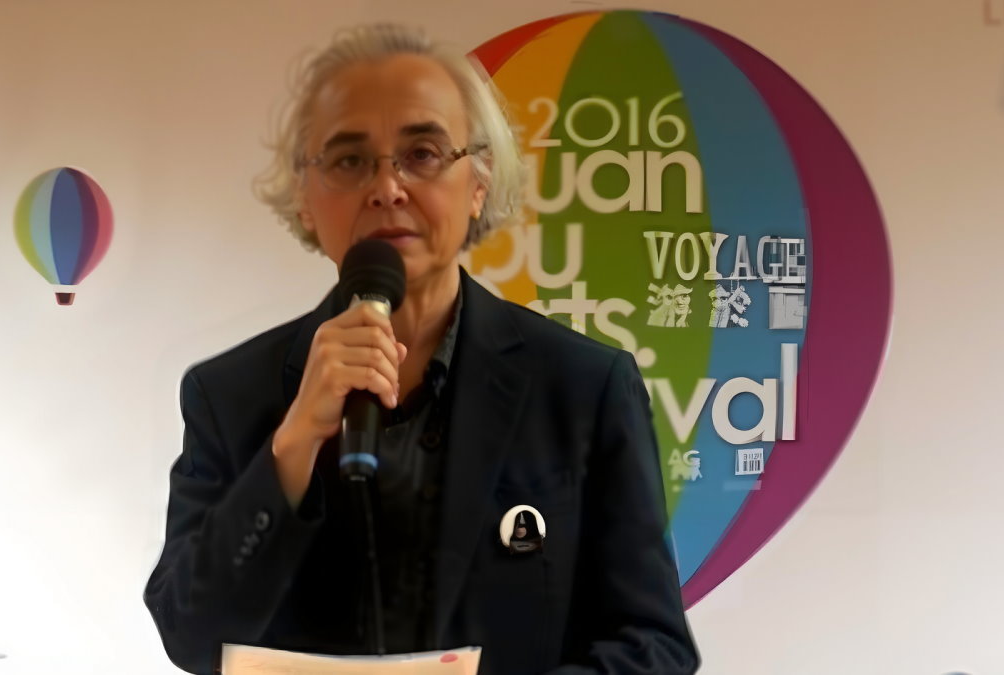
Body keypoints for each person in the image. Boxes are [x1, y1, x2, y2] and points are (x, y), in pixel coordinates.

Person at [144, 23, 699, 675]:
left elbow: (653, 645)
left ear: (478, 182)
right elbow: (191, 637)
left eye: (423, 153)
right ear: (305, 195)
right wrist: (292, 446)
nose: (387, 187)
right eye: (349, 160)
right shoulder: (228, 395)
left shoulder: (583, 387)